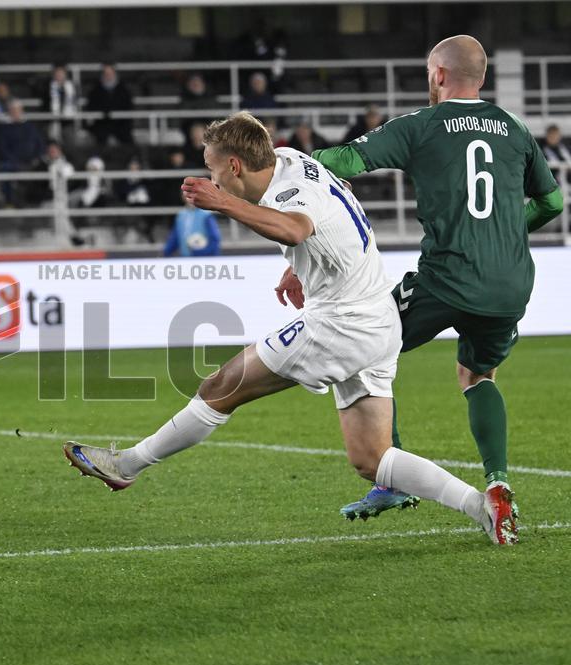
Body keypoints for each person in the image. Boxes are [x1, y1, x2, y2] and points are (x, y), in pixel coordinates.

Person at [64, 111, 504, 545]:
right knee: (372, 458)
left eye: (213, 170)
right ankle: (481, 506)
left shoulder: (285, 193)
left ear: (235, 166)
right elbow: (336, 198)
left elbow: (295, 227)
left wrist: (223, 203)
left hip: (339, 324)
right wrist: (301, 267)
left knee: (219, 387)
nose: (212, 180)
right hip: (379, 320)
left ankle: (127, 466)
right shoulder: (290, 158)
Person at [313, 35, 563, 542]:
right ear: (483, 78)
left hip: (448, 278)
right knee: (477, 375)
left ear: (439, 75)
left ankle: (389, 478)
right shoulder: (515, 130)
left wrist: (289, 163)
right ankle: (497, 482)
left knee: (364, 342)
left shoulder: (422, 125)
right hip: (511, 283)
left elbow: (343, 162)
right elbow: (553, 202)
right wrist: (509, 230)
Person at [0, 100, 46, 205]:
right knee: (5, 169)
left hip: (32, 162)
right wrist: (16, 163)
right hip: (13, 163)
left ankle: (38, 201)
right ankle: (8, 201)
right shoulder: (4, 129)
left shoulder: (31, 127)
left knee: (45, 167)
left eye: (17, 110)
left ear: (22, 111)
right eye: (12, 110)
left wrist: (35, 159)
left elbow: (40, 146)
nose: (15, 113)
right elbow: (2, 149)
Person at [85, 63, 134, 146]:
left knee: (128, 142)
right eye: (106, 73)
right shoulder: (95, 91)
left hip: (121, 125)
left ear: (115, 74)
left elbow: (129, 107)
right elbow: (91, 107)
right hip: (101, 125)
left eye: (110, 73)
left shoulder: (124, 90)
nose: (108, 76)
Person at [42, 63, 77, 143]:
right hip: (51, 121)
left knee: (69, 139)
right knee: (51, 140)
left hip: (68, 121)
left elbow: (75, 103)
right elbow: (45, 104)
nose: (59, 76)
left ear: (65, 74)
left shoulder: (72, 87)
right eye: (57, 73)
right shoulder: (47, 88)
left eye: (61, 73)